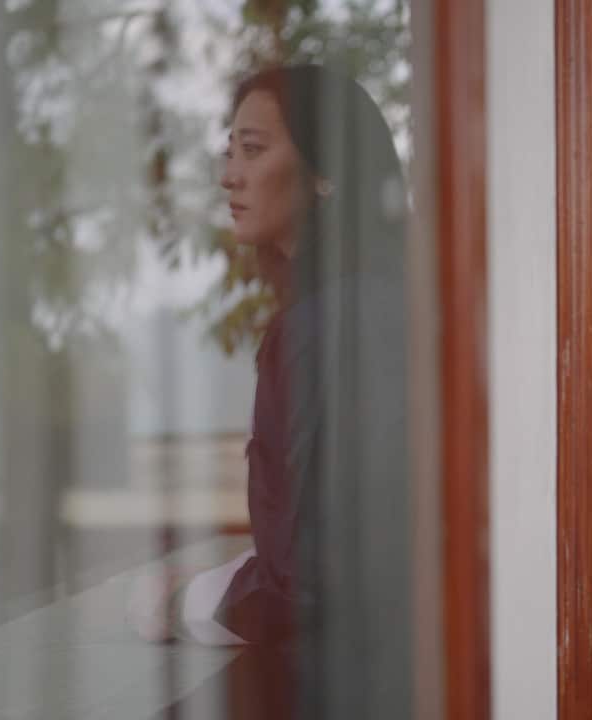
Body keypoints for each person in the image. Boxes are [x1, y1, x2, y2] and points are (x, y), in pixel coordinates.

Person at [126, 63, 410, 714]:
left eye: (253, 151)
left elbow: (313, 581)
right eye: (228, 152)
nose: (229, 175)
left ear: (325, 174)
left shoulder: (324, 326)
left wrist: (184, 602)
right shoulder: (382, 302)